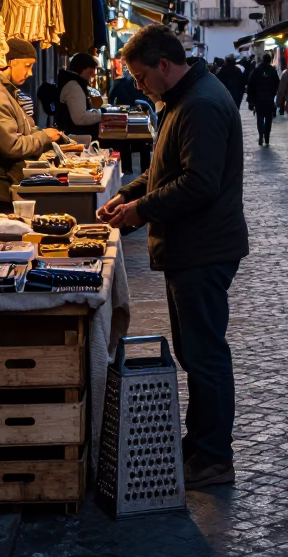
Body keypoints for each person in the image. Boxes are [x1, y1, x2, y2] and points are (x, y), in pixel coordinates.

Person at [97, 24, 248, 490]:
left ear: (164, 65)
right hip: (191, 246)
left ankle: (215, 458)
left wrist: (140, 209)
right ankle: (200, 443)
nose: (140, 87)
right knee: (194, 352)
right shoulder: (184, 100)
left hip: (202, 248)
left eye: (142, 78)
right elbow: (169, 170)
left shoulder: (200, 104)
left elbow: (198, 184)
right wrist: (128, 194)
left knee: (205, 355)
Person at [0, 38, 62, 213]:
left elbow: (22, 130)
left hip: (0, 182)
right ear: (10, 62)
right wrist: (44, 137)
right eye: (27, 65)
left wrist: (41, 134)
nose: (30, 73)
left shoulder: (3, 90)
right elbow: (12, 146)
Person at [57, 52, 102, 137]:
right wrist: (100, 114)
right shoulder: (74, 87)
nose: (93, 74)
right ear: (81, 69)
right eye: (90, 71)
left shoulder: (74, 83)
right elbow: (80, 118)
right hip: (76, 136)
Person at [246, 52, 281, 146]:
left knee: (260, 118)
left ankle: (261, 134)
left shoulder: (257, 71)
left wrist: (250, 100)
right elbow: (278, 84)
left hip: (259, 99)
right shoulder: (272, 71)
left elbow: (251, 85)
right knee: (269, 119)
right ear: (270, 61)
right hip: (269, 99)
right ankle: (267, 137)